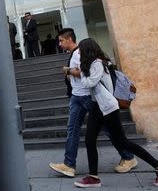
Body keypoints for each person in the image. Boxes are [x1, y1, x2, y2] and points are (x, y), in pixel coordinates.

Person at [72, 38, 158, 188]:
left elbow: (88, 83)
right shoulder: (92, 65)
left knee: (122, 142)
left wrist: (80, 71)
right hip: (96, 106)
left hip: (108, 108)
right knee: (89, 140)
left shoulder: (97, 64)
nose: (79, 53)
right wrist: (82, 70)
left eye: (80, 50)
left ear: (87, 50)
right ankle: (93, 177)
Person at [49, 28, 136, 177]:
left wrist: (68, 71)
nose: (60, 43)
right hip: (77, 96)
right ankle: (69, 164)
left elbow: (84, 71)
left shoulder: (79, 53)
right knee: (72, 129)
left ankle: (128, 157)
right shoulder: (73, 53)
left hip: (87, 96)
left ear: (69, 39)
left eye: (61, 40)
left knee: (107, 128)